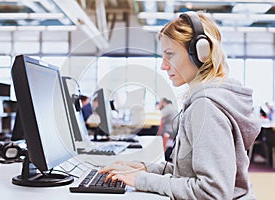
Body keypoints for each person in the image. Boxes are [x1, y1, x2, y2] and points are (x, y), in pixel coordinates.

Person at [99, 11, 261, 199]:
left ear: (200, 53)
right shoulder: (205, 100)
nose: (163, 65)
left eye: (170, 55)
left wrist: (142, 180)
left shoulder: (207, 107)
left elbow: (213, 192)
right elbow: (186, 173)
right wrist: (144, 169)